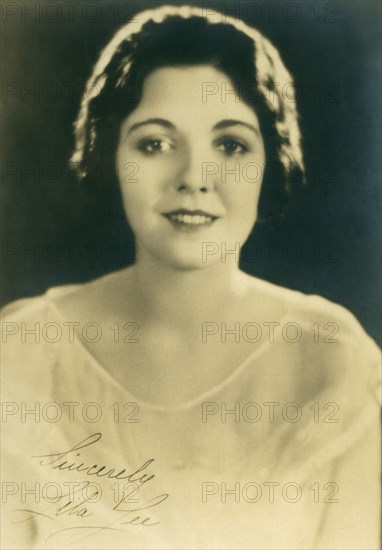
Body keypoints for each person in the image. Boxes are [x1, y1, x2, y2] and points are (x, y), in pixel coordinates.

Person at [1, 4, 380, 549]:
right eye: (154, 143)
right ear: (111, 154)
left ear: (268, 160)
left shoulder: (332, 361)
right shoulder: (23, 355)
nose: (194, 179)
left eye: (230, 145)